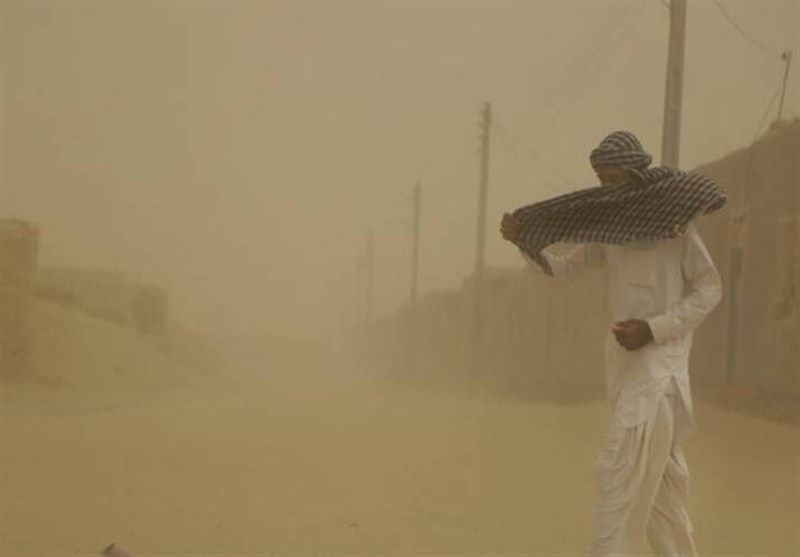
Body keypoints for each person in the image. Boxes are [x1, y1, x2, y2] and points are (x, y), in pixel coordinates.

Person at [500, 130, 722, 556]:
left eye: (613, 181)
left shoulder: (676, 226)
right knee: (664, 504)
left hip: (658, 382)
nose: (606, 190)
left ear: (636, 176)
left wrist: (654, 329)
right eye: (600, 181)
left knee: (615, 482)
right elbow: (563, 271)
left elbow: (710, 289)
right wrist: (523, 243)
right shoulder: (611, 229)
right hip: (627, 377)